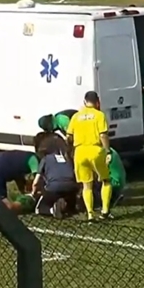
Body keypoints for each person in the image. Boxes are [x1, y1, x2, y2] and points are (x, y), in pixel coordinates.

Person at [66, 91, 113, 221]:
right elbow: (103, 135)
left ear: (84, 102)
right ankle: (105, 211)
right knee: (106, 180)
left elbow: (68, 136)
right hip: (95, 151)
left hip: (80, 152)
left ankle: (90, 214)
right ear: (97, 102)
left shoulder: (76, 116)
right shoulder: (99, 115)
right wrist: (107, 150)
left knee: (87, 185)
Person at [31, 143, 79, 219]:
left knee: (39, 208)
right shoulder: (67, 159)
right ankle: (68, 207)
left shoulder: (45, 159)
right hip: (71, 188)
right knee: (67, 193)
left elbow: (36, 182)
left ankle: (51, 210)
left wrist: (33, 194)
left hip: (54, 188)